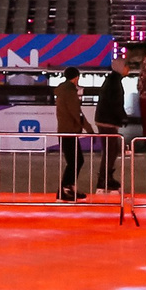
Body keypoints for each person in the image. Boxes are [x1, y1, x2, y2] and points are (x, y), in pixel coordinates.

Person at [93, 62, 127, 192]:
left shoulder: (113, 80)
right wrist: (122, 117)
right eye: (126, 65)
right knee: (110, 151)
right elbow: (115, 103)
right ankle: (103, 180)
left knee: (113, 150)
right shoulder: (114, 83)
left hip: (106, 120)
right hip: (107, 121)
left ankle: (107, 176)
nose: (128, 68)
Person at [55, 68, 86, 201]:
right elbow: (76, 112)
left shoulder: (62, 90)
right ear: (76, 77)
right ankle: (64, 188)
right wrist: (88, 129)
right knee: (76, 161)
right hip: (69, 131)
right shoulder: (70, 92)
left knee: (75, 160)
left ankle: (69, 187)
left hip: (64, 130)